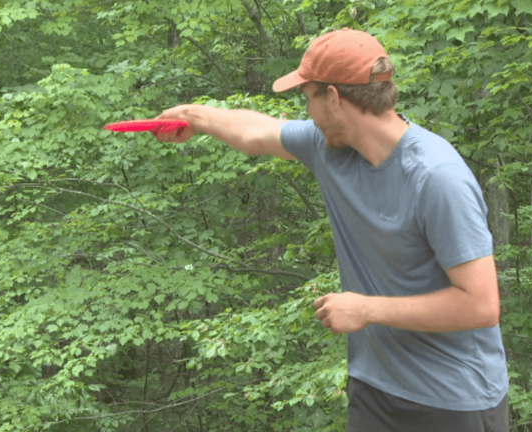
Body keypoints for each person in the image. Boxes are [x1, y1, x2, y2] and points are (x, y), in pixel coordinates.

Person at [155, 28, 509, 432]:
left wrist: (365, 309)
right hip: (374, 390)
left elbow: (481, 305)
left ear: (334, 98)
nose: (307, 111)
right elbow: (255, 132)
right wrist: (194, 118)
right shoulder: (330, 148)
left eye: (308, 98)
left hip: (453, 400)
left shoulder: (436, 177)